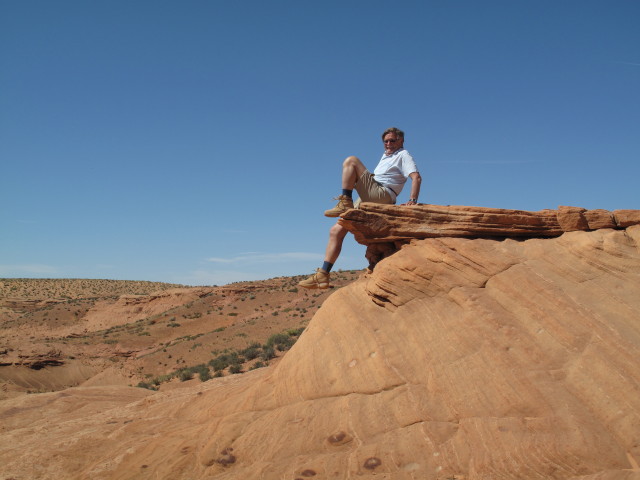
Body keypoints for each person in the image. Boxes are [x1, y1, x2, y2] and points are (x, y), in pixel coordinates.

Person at [299, 127, 421, 289]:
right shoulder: (387, 156)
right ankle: (323, 274)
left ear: (401, 141)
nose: (388, 144)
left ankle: (345, 201)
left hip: (382, 194)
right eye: (386, 141)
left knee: (351, 161)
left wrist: (412, 200)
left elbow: (416, 177)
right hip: (369, 196)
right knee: (336, 231)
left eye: (392, 140)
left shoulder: (403, 155)